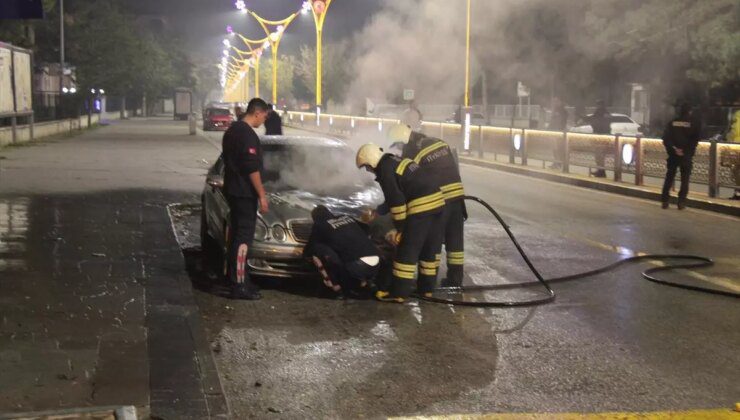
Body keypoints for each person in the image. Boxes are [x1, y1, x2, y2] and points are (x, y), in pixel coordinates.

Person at [356, 143, 445, 303]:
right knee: (429, 250)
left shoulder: (385, 171)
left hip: (420, 207)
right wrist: (377, 212)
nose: (369, 171)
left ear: (372, 162)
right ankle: (426, 290)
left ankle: (398, 293)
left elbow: (397, 204)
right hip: (438, 204)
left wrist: (400, 230)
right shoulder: (394, 162)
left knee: (406, 250)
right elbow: (394, 197)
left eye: (367, 167)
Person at [387, 124, 466, 288]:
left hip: (439, 198)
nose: (400, 149)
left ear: (403, 140)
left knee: (433, 240)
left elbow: (413, 179)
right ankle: (455, 280)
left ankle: (428, 283)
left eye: (399, 145)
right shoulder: (438, 142)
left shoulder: (411, 152)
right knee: (455, 241)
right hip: (457, 195)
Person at [221, 98, 271, 299]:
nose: (264, 120)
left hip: (233, 191)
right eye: (265, 116)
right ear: (257, 113)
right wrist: (261, 194)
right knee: (243, 240)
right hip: (244, 193)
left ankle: (237, 279)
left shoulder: (232, 131)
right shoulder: (247, 135)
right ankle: (239, 285)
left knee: (235, 238)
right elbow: (251, 168)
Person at [303, 205, 380, 297]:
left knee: (319, 249)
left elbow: (311, 245)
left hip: (357, 266)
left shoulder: (320, 225)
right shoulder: (346, 217)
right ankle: (367, 281)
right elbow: (366, 229)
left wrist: (304, 256)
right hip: (376, 261)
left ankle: (336, 287)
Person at [661, 102, 701, 210]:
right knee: (685, 179)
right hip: (686, 156)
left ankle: (665, 200)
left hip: (673, 155)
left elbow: (665, 138)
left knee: (669, 177)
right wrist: (685, 151)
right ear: (690, 111)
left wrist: (674, 149)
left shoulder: (672, 123)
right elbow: (695, 140)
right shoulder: (694, 124)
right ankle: (681, 202)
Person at [589, 100, 612, 178]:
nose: (597, 107)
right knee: (599, 155)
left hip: (600, 137)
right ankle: (600, 170)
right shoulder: (605, 113)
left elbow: (596, 122)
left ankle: (601, 171)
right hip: (602, 136)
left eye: (598, 105)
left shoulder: (600, 113)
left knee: (599, 154)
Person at [548, 97, 569, 170]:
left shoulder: (562, 111)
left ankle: (559, 163)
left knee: (559, 148)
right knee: (555, 148)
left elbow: (561, 122)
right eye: (554, 101)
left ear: (560, 101)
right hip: (554, 131)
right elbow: (552, 121)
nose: (554, 103)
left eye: (556, 101)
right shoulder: (557, 110)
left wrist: (559, 129)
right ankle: (557, 162)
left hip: (559, 132)